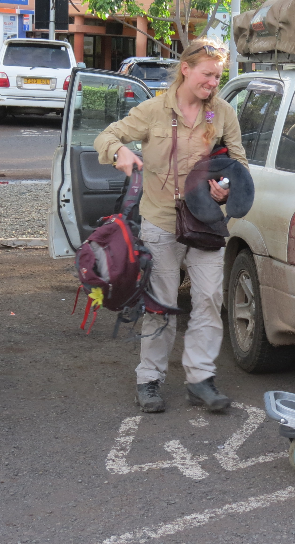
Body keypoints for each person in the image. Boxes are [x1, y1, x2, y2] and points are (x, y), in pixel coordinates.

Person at [94, 39, 247, 414]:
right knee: (160, 305)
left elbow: (239, 163)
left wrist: (226, 188)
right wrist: (121, 151)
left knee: (210, 299)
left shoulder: (222, 113)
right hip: (161, 222)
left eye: (218, 76)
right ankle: (149, 380)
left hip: (206, 223)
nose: (213, 82)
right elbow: (106, 136)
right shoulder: (152, 111)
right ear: (186, 69)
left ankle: (200, 380)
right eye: (208, 75)